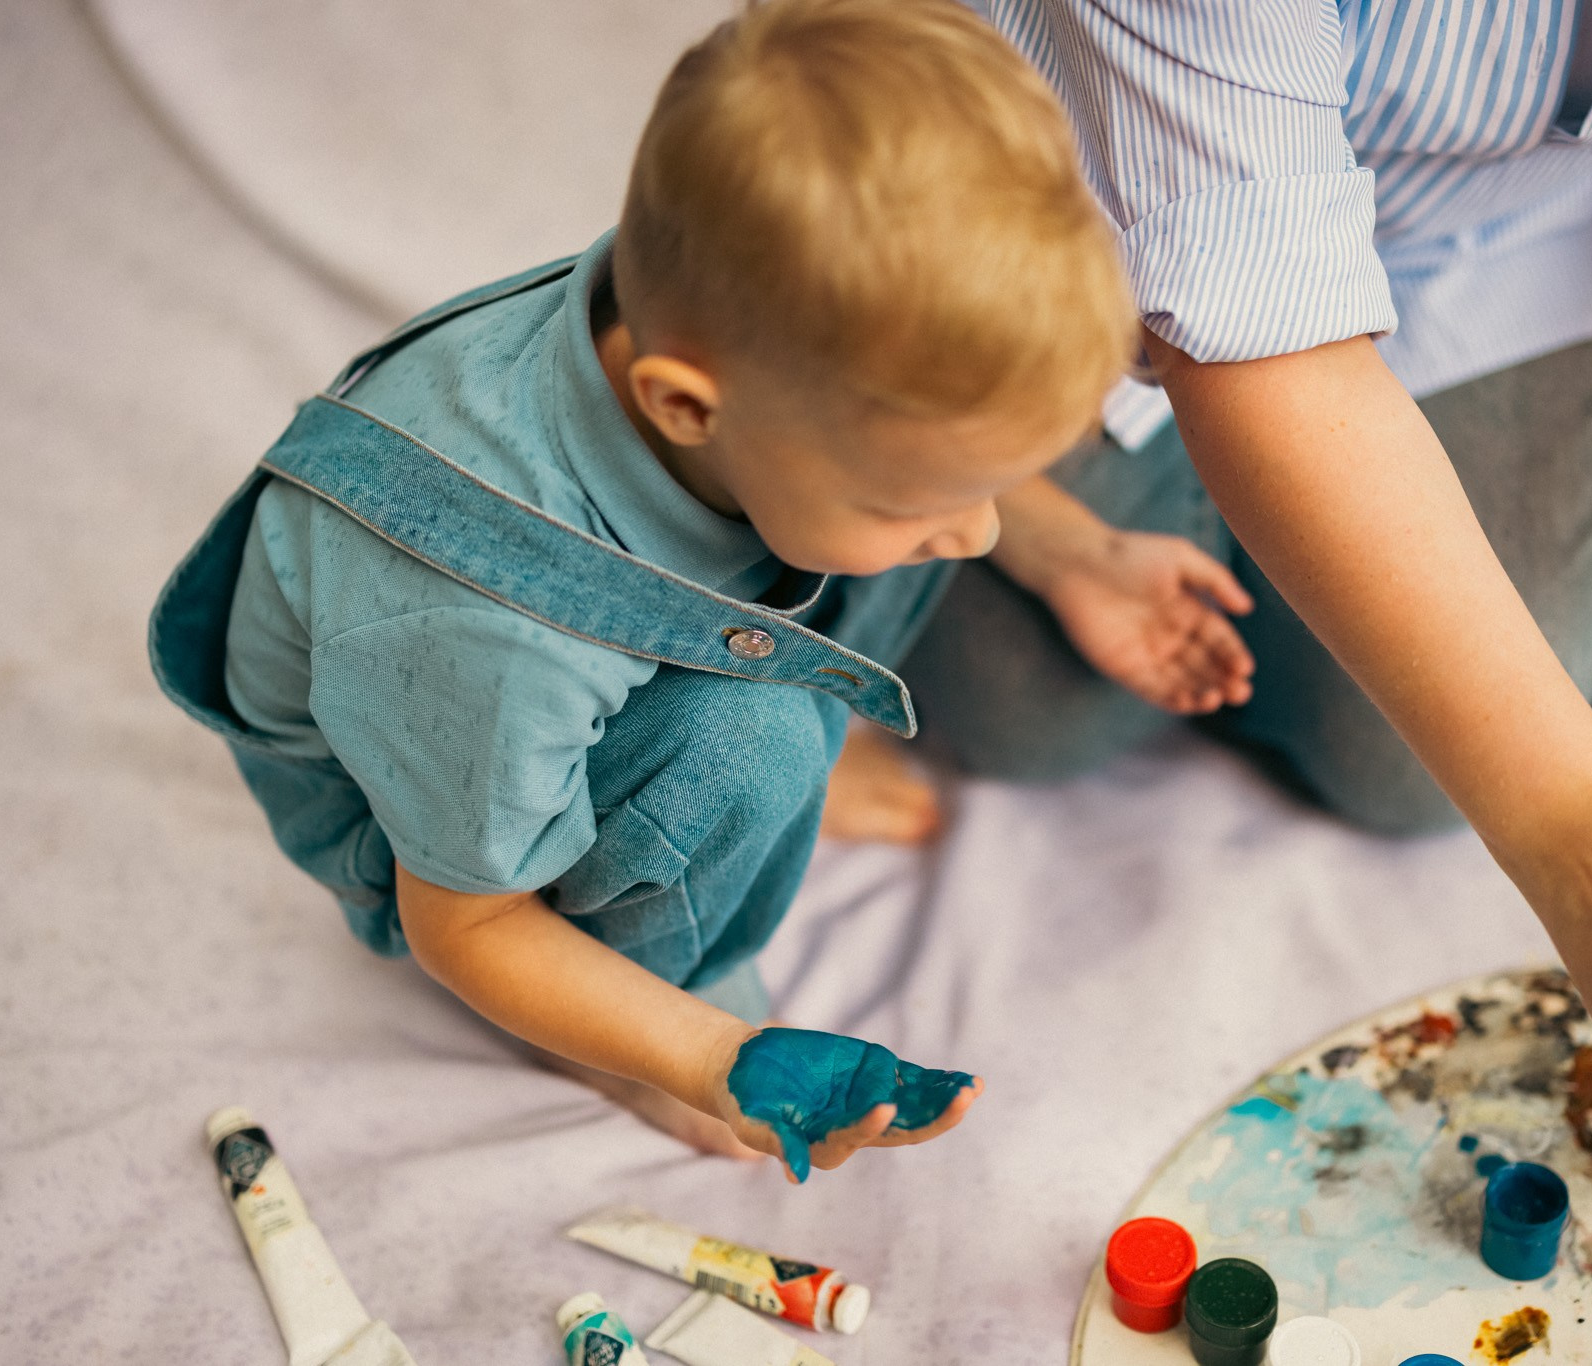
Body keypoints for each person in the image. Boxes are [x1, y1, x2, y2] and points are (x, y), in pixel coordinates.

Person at [146, 0, 1235, 1178]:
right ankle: (644, 983)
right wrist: (707, 1049)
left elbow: (920, 468)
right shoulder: (486, 628)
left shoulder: (749, 348)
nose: (973, 532)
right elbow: (463, 923)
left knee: (855, 546)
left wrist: (1069, 551)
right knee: (748, 745)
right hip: (451, 823)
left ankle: (797, 725)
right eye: (917, 497)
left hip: (615, 629)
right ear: (682, 405)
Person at [901, 0, 1592, 1128]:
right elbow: (1260, 326)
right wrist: (1588, 849)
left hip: (1505, 224)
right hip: (1066, 197)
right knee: (1020, 709)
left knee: (1416, 768)